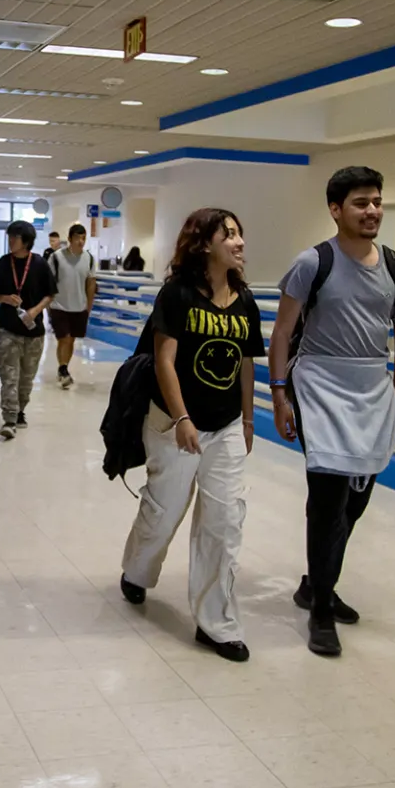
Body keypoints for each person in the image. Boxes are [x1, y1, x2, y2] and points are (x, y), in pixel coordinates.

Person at [268, 166, 395, 657]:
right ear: (336, 209)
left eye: (376, 201)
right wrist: (280, 393)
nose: (372, 210)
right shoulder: (313, 262)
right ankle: (321, 611)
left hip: (372, 391)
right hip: (320, 387)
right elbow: (283, 333)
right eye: (360, 202)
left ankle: (317, 583)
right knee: (329, 498)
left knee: (356, 501)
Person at [117, 208, 263, 662]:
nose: (239, 243)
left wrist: (248, 419)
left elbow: (244, 361)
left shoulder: (244, 299)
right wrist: (182, 419)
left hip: (225, 428)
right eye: (229, 235)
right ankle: (137, 571)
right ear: (203, 244)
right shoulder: (177, 294)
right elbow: (164, 361)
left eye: (240, 234)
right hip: (173, 422)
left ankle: (216, 624)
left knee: (224, 522)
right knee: (165, 511)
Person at [0, 221, 55, 440]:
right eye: (10, 237)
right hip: (7, 330)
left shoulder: (40, 265)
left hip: (33, 333)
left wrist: (34, 311)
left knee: (26, 379)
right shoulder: (2, 264)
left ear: (26, 241)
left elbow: (51, 294)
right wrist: (5, 298)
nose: (11, 242)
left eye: (15, 238)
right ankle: (9, 418)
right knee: (9, 376)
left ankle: (20, 409)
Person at [48, 223, 98, 390]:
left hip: (79, 307)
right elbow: (49, 282)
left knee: (71, 340)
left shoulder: (89, 259)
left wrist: (88, 306)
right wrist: (47, 304)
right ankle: (63, 369)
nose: (80, 241)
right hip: (58, 305)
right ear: (69, 239)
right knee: (65, 338)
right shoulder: (56, 257)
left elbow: (91, 283)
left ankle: (63, 368)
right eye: (77, 238)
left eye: (83, 238)